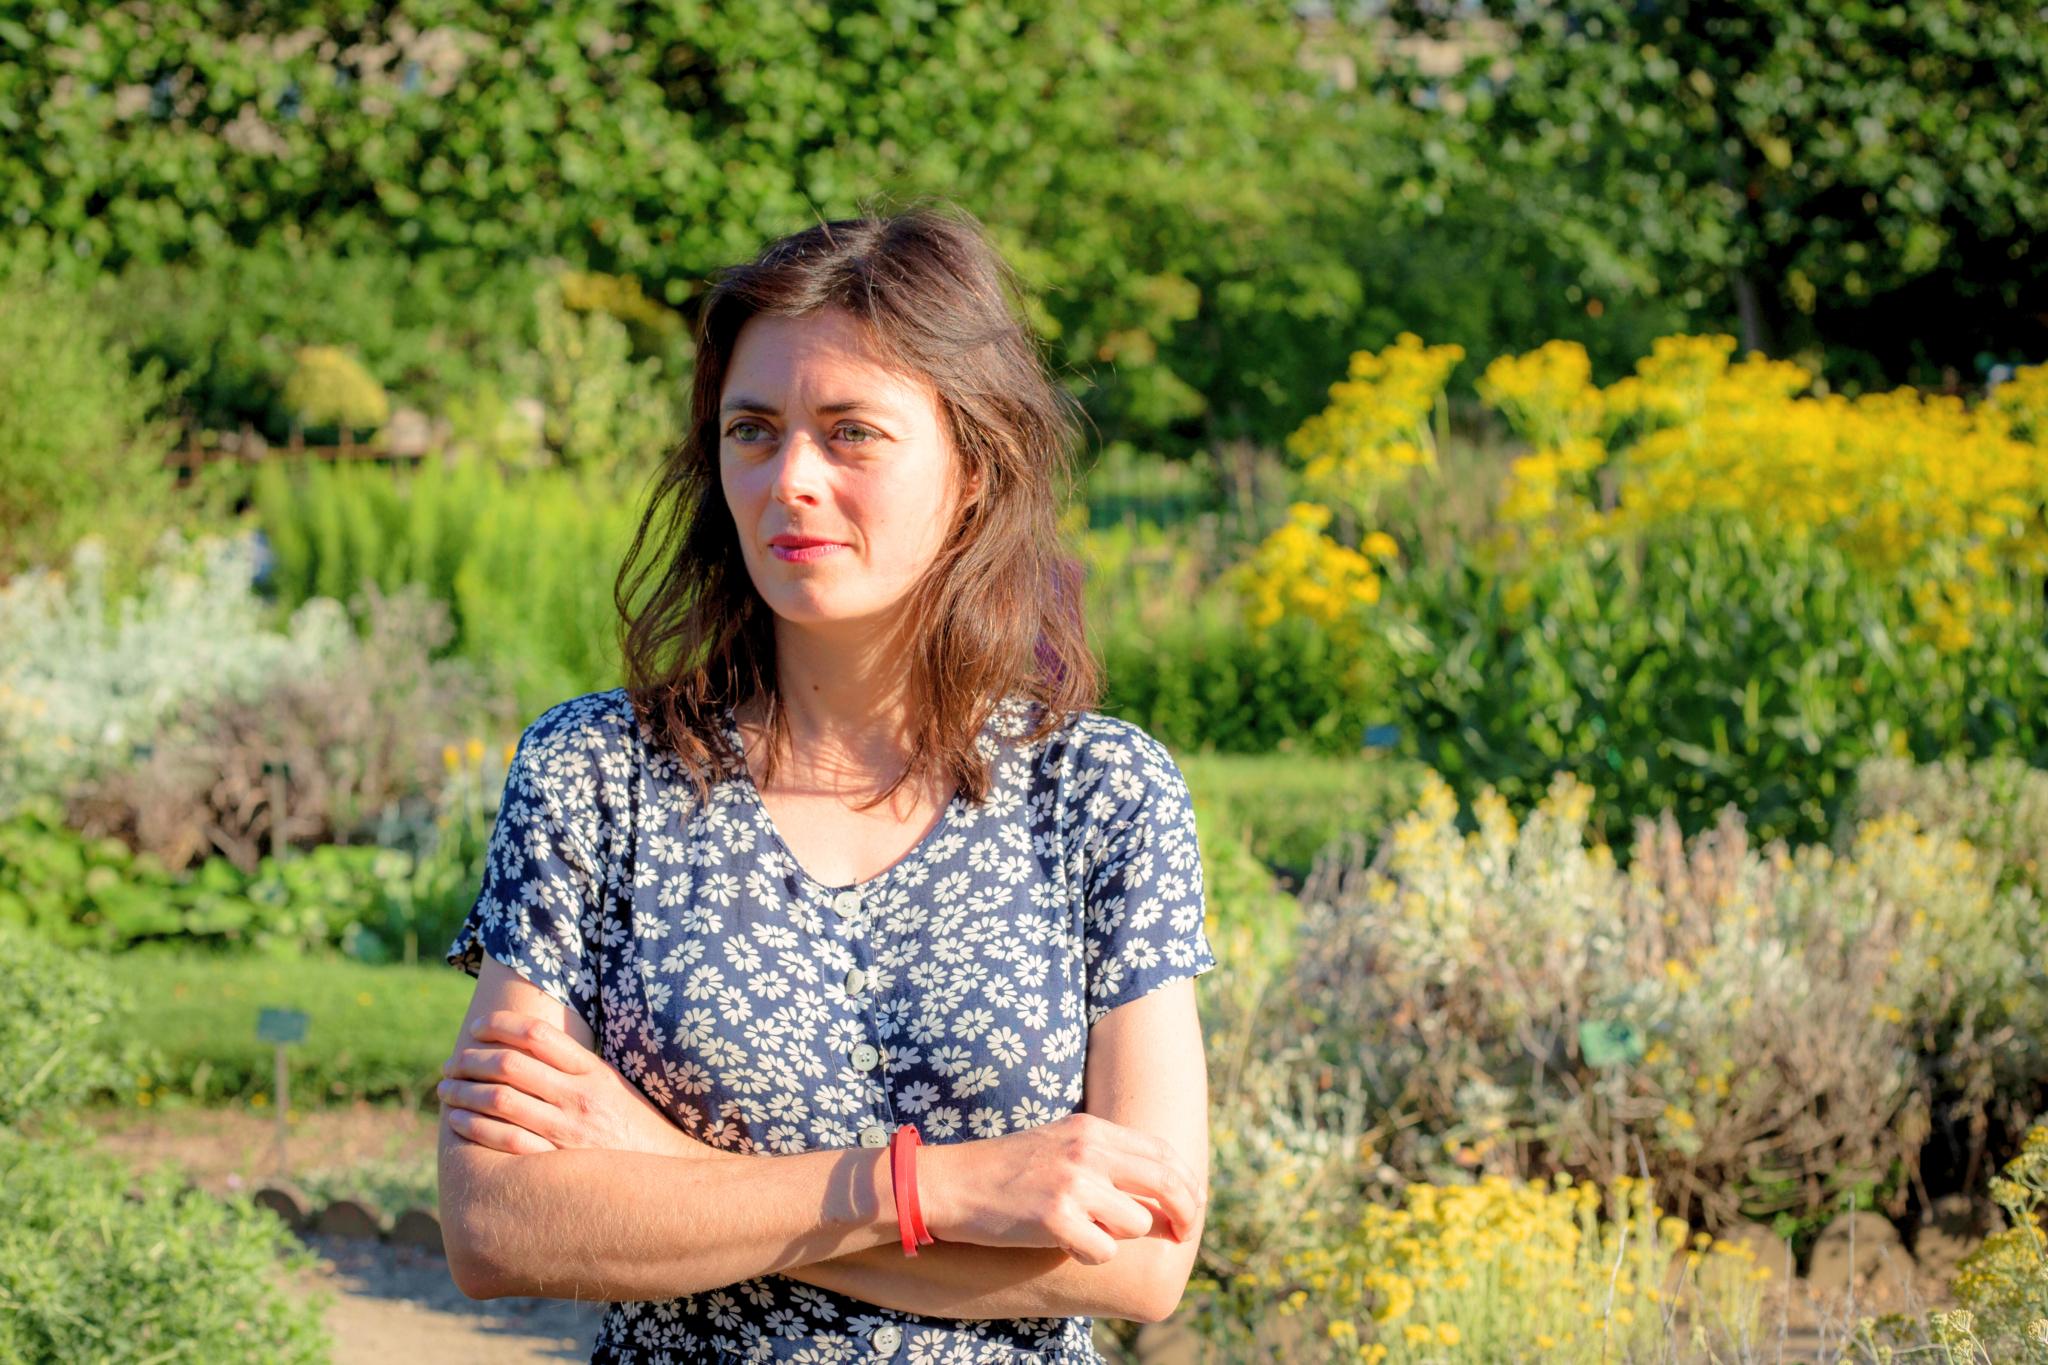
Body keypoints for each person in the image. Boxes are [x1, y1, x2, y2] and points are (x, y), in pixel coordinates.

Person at [435, 201, 1216, 1364]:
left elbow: (1142, 1262)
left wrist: (669, 1170)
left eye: (851, 432)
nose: (790, 477)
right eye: (752, 430)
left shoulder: (1100, 794)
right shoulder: (598, 776)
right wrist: (934, 1192)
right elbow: (497, 1225)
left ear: (971, 469)